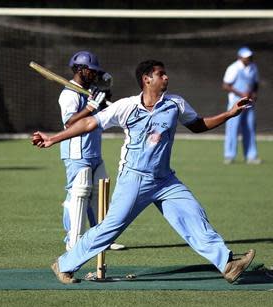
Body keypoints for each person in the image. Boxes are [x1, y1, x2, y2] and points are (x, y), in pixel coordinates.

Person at [32, 59, 256, 284]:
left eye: (165, 74)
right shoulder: (126, 106)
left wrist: (229, 114)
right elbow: (89, 123)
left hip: (165, 180)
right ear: (146, 79)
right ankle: (64, 265)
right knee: (110, 229)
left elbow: (197, 125)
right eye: (161, 74)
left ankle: (227, 264)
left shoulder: (175, 103)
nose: (166, 77)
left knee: (193, 214)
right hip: (134, 179)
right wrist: (53, 138)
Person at [57, 50, 124, 251]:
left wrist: (103, 96)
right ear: (80, 69)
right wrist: (89, 108)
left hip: (94, 151)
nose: (94, 74)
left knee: (100, 194)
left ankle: (101, 238)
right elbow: (69, 123)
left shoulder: (92, 90)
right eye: (91, 71)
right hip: (77, 152)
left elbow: (101, 114)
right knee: (79, 194)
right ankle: (73, 241)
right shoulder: (69, 93)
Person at [222, 46, 261, 164]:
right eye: (245, 57)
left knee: (249, 128)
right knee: (232, 129)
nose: (248, 59)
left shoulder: (253, 67)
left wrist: (254, 94)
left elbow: (255, 83)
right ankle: (229, 155)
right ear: (240, 58)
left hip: (249, 104)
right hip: (235, 104)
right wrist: (241, 93)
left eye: (249, 57)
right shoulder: (233, 68)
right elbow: (225, 85)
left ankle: (251, 156)